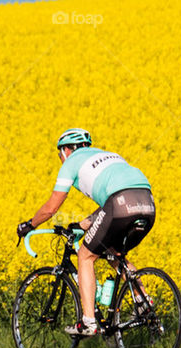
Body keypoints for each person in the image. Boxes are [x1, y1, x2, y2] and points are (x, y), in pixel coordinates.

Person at [16, 128, 156, 336]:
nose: (61, 158)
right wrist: (82, 224)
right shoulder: (109, 156)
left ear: (66, 150)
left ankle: (88, 322)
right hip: (147, 203)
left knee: (85, 255)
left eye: (60, 154)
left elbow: (51, 208)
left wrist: (29, 225)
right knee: (114, 253)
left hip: (119, 203)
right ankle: (144, 301)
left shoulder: (73, 162)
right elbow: (111, 205)